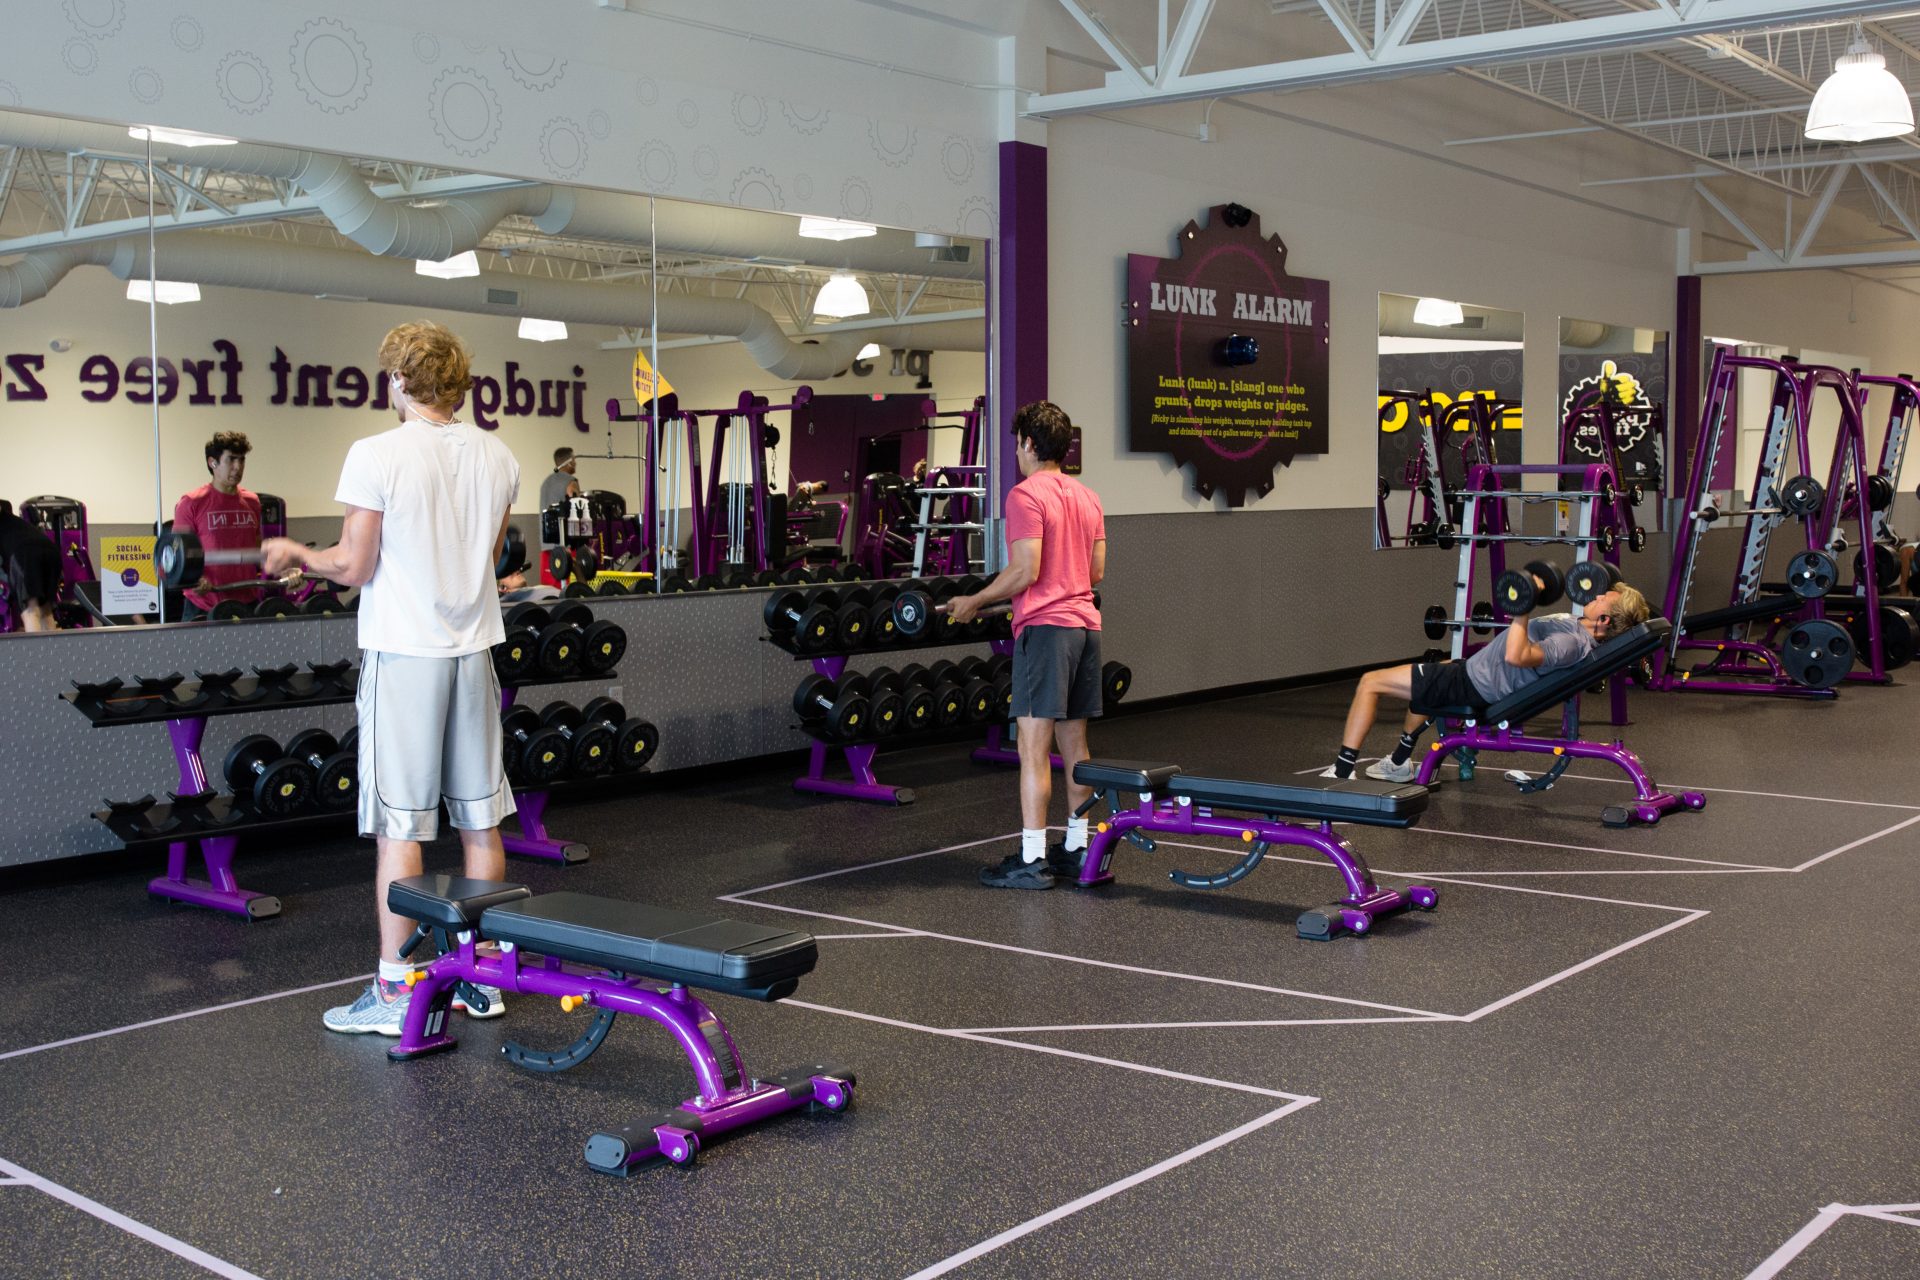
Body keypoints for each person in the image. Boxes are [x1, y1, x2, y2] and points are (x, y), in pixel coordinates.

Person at [262, 320, 521, 1037]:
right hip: (473, 655)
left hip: (406, 657)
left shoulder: (376, 452)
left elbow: (353, 566)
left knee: (400, 828)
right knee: (478, 817)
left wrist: (296, 554)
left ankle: (396, 987)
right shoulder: (499, 456)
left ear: (400, 382)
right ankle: (481, 976)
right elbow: (486, 562)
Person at [945, 401, 1107, 890]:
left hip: (1047, 632)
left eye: (1018, 442)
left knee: (1033, 750)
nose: (1017, 451)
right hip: (1085, 627)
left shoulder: (1025, 495)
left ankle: (1033, 858)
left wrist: (974, 600)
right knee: (1076, 747)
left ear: (1030, 444)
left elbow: (1025, 571)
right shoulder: (1088, 497)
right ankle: (1080, 849)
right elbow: (1094, 572)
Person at [1330, 571, 1650, 782]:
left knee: (1369, 683)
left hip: (1474, 686)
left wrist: (1522, 610)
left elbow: (1517, 656)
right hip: (1472, 674)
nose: (1595, 596)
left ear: (1605, 619)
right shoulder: (1577, 627)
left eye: (1601, 599)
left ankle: (1342, 773)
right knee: (1434, 673)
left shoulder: (1570, 643)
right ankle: (1400, 762)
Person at [173, 432, 271, 621]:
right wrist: (195, 580)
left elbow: (256, 548)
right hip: (204, 605)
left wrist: (286, 569)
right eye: (231, 460)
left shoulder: (252, 501)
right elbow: (179, 557)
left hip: (246, 602)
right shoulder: (191, 503)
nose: (238, 467)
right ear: (213, 462)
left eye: (242, 460)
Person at [0, 500, 63, 632]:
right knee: (46, 610)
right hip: (51, 552)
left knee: (31, 611)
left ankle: (36, 653)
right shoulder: (15, 522)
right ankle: (52, 651)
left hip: (25, 555)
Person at [538, 447, 580, 587]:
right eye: (574, 460)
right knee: (570, 591)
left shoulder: (545, 484)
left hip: (546, 547)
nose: (575, 463)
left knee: (549, 592)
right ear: (569, 462)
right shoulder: (570, 481)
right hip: (566, 547)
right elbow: (577, 508)